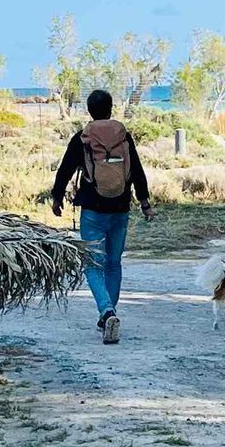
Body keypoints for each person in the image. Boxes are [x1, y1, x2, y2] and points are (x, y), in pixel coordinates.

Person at [51, 88, 151, 343]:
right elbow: (136, 169)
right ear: (111, 109)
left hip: (93, 210)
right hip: (120, 208)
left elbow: (65, 169)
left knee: (93, 264)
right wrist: (144, 202)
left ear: (89, 110)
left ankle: (106, 312)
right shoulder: (123, 136)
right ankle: (109, 312)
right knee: (113, 263)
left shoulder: (83, 138)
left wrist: (57, 197)